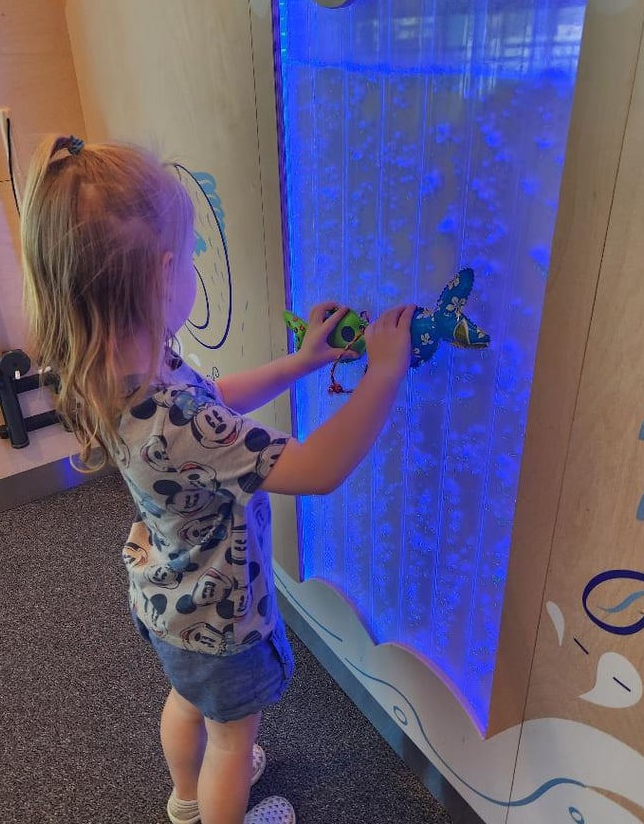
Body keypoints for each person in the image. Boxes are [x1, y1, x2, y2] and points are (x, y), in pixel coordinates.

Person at [20, 134, 415, 824]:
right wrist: (382, 374)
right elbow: (316, 469)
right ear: (164, 273)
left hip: (167, 601)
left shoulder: (116, 369)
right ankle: (219, 805)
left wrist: (299, 364)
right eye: (193, 254)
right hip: (223, 618)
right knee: (232, 742)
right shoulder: (173, 414)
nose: (196, 266)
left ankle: (185, 797)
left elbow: (217, 395)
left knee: (187, 701)